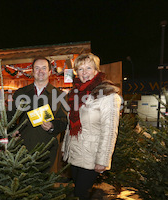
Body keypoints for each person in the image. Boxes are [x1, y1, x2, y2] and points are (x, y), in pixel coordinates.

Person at [61, 53, 121, 200]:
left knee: (81, 194)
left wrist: (103, 160)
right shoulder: (75, 93)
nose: (84, 72)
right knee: (78, 193)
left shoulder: (108, 95)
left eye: (89, 68)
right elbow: (70, 126)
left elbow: (109, 130)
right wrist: (65, 149)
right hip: (75, 154)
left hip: (92, 156)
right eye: (80, 69)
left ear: (96, 70)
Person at [11, 57, 68, 171]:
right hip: (23, 150)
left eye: (44, 68)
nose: (40, 71)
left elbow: (64, 121)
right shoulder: (21, 93)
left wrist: (52, 126)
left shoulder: (59, 95)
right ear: (32, 72)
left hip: (47, 150)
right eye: (37, 68)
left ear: (49, 72)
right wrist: (12, 131)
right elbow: (10, 117)